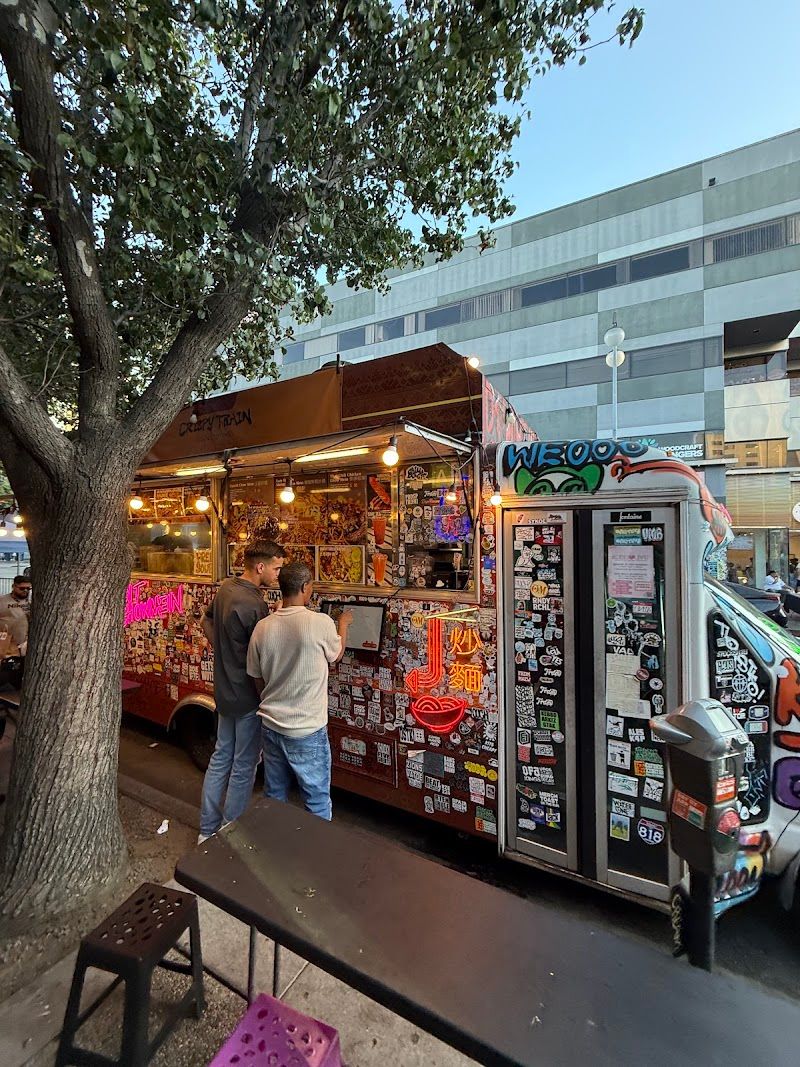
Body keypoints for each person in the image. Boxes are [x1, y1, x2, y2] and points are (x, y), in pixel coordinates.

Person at [247, 562, 352, 820]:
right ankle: (316, 856)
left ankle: (278, 848)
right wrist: (345, 623)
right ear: (306, 588)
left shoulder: (263, 627)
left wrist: (270, 699)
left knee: (274, 793)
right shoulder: (321, 622)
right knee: (316, 799)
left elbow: (255, 676)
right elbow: (336, 654)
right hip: (307, 730)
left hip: (271, 725)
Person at [198, 539, 285, 842]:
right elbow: (263, 656)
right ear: (260, 567)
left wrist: (223, 652)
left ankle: (207, 831)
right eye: (276, 568)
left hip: (224, 692)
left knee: (221, 757)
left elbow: (205, 621)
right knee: (244, 765)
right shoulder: (253, 604)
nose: (278, 574)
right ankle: (229, 832)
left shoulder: (225, 588)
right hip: (248, 696)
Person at [0, 574, 32, 653]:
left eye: (28, 588)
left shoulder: (32, 602)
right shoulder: (2, 601)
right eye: (22, 588)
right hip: (7, 647)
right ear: (13, 586)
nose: (25, 591)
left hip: (27, 647)